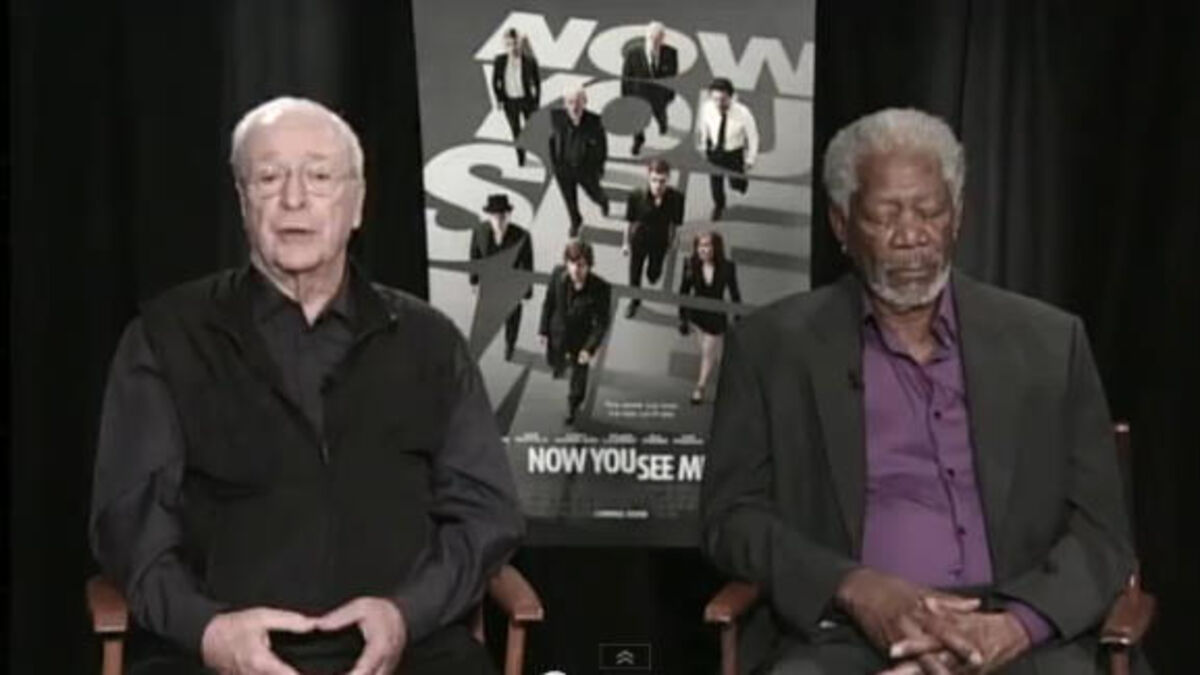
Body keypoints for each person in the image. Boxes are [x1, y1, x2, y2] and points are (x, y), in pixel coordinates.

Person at [89, 97, 523, 675]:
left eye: (319, 177)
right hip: (215, 656)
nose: (294, 199)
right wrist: (209, 630)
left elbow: (486, 513)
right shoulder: (166, 337)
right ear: (243, 202)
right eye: (269, 178)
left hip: (409, 652)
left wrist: (407, 614)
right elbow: (131, 524)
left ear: (357, 204)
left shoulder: (430, 341)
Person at [700, 108, 1138, 674]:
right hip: (845, 638)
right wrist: (852, 586)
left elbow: (1103, 534)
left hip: (1022, 635)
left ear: (958, 216)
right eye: (885, 216)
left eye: (930, 212)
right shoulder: (772, 349)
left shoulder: (1051, 344)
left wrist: (1014, 627)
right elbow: (730, 519)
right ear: (841, 224)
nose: (912, 236)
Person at [539, 239, 612, 426]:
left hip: (581, 340)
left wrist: (589, 348)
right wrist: (543, 330)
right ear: (566, 263)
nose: (575, 270)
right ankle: (559, 366)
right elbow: (549, 303)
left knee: (579, 376)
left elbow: (601, 324)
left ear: (589, 265)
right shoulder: (557, 274)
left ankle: (573, 405)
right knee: (555, 360)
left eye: (581, 265)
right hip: (557, 333)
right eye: (571, 264)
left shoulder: (601, 289)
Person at [677, 231, 741, 404]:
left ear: (716, 248)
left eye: (708, 245)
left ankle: (700, 387)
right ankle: (735, 383)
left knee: (708, 351)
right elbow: (683, 292)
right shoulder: (690, 264)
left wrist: (738, 315)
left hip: (716, 316)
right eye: (701, 245)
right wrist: (682, 318)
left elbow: (734, 292)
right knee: (713, 353)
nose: (704, 249)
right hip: (697, 315)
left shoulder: (727, 267)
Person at [470, 193, 534, 361]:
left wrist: (527, 293)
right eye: (495, 216)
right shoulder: (479, 232)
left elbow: (528, 266)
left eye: (502, 216)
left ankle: (510, 345)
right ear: (489, 216)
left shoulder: (522, 236)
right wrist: (474, 281)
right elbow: (475, 257)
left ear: (508, 215)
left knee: (512, 320)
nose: (498, 220)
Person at [623, 158, 684, 319]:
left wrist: (675, 239)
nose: (658, 185)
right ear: (648, 177)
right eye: (654, 180)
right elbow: (629, 222)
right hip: (639, 240)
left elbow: (676, 223)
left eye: (662, 181)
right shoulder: (636, 196)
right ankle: (634, 301)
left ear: (668, 179)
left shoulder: (677, 199)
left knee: (654, 274)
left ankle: (653, 272)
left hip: (660, 242)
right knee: (634, 274)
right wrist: (625, 243)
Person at [548, 86, 609, 237]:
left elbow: (602, 148)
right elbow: (552, 141)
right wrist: (555, 165)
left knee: (594, 193)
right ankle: (576, 221)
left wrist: (599, 168)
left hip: (585, 169)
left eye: (578, 102)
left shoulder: (595, 122)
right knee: (569, 199)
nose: (574, 107)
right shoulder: (556, 118)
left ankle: (603, 201)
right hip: (564, 169)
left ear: (585, 102)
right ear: (565, 104)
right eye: (570, 102)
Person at [696, 77, 759, 221]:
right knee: (715, 184)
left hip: (734, 153)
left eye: (723, 100)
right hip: (714, 152)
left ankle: (740, 184)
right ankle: (719, 206)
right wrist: (704, 146)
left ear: (731, 97)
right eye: (715, 99)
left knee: (737, 184)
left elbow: (753, 136)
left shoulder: (743, 113)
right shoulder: (707, 108)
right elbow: (704, 127)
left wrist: (750, 159)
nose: (719, 103)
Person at [621, 20, 678, 156]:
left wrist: (670, 95)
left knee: (661, 115)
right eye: (652, 38)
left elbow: (673, 77)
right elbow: (626, 78)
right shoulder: (633, 54)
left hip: (659, 98)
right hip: (638, 97)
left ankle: (663, 125)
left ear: (663, 39)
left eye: (658, 39)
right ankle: (638, 140)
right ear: (647, 36)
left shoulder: (671, 53)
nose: (654, 42)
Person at [491, 28, 540, 166]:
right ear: (505, 45)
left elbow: (537, 82)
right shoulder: (499, 61)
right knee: (516, 131)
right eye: (509, 44)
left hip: (526, 100)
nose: (512, 48)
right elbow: (495, 81)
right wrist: (499, 99)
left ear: (519, 44)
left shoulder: (530, 61)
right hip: (510, 102)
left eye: (515, 44)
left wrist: (536, 101)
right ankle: (521, 158)